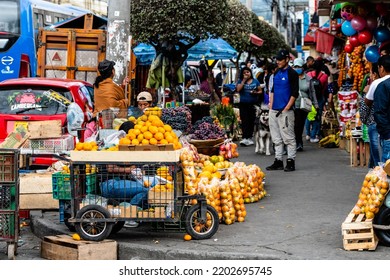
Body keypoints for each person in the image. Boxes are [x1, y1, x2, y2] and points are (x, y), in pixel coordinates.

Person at [266, 50, 299, 172]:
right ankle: (278, 160)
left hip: (286, 111)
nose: (278, 62)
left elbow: (295, 93)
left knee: (288, 138)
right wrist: (271, 106)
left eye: (280, 59)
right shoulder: (276, 73)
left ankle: (291, 161)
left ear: (287, 59)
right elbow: (273, 91)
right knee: (276, 138)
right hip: (274, 110)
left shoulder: (292, 74)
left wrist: (287, 108)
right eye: (277, 59)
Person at [292, 58, 317, 151]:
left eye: (299, 67)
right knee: (294, 125)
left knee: (300, 124)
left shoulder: (308, 79)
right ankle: (296, 142)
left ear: (303, 67)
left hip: (304, 105)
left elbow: (312, 92)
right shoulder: (292, 77)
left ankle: (298, 142)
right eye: (295, 67)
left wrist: (315, 104)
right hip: (293, 104)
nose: (297, 68)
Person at [359, 63, 381, 168]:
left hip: (375, 122)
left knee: (377, 156)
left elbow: (365, 107)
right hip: (381, 123)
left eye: (371, 73)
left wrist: (364, 121)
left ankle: (377, 178)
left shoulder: (373, 85)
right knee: (375, 154)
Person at [369, 55, 390, 162]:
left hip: (388, 134)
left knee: (387, 169)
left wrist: (386, 134)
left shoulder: (382, 85)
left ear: (381, 68)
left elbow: (379, 112)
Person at [235, 66, 263, 146]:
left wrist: (255, 93)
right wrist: (243, 80)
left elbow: (260, 91)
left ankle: (249, 137)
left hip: (252, 104)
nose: (246, 74)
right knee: (244, 120)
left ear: (250, 73)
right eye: (244, 73)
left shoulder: (255, 81)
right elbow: (238, 89)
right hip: (243, 104)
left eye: (247, 72)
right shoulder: (240, 81)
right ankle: (244, 138)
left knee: (251, 120)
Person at [306, 60, 329, 142]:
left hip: (309, 98)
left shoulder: (308, 75)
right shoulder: (325, 76)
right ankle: (315, 134)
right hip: (319, 98)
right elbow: (324, 88)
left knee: (309, 116)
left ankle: (307, 134)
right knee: (317, 117)